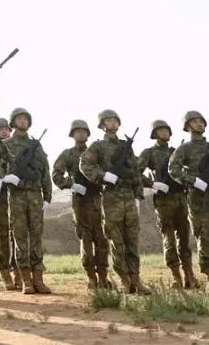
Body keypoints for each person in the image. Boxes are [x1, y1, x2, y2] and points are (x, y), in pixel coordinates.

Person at [79, 110, 150, 295]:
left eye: (114, 120)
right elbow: (85, 164)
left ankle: (136, 279)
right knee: (116, 241)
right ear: (102, 125)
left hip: (129, 197)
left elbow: (135, 171)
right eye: (108, 121)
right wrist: (103, 176)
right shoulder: (98, 146)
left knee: (132, 240)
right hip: (111, 197)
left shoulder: (126, 146)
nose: (112, 123)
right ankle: (124, 280)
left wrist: (138, 194)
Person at [167, 111, 209, 292]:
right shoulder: (184, 149)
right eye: (194, 121)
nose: (199, 124)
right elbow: (173, 169)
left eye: (201, 121)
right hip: (198, 197)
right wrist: (192, 181)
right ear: (187, 126)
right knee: (203, 237)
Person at [138, 120, 197, 289]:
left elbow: (190, 170)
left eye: (166, 130)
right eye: (160, 130)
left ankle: (190, 276)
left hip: (180, 198)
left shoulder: (177, 152)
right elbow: (136, 171)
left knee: (184, 239)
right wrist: (151, 184)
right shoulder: (149, 152)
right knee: (169, 239)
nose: (164, 132)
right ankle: (176, 277)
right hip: (164, 201)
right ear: (154, 134)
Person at [52, 119, 110, 289]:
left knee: (102, 238)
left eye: (84, 131)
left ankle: (103, 276)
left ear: (88, 134)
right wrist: (71, 185)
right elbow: (56, 174)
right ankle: (91, 277)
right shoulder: (67, 154)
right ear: (73, 135)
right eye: (77, 131)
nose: (81, 134)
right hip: (80, 201)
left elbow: (107, 170)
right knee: (86, 238)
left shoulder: (96, 151)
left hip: (98, 198)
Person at [1, 108, 51, 295]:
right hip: (17, 196)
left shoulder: (35, 145)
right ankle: (25, 280)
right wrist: (6, 178)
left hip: (35, 195)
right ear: (13, 122)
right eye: (19, 119)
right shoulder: (6, 145)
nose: (23, 121)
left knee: (37, 236)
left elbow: (45, 171)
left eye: (25, 119)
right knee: (20, 237)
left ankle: (38, 278)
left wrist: (47, 196)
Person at [0, 118, 17, 291]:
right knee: (2, 233)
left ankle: (18, 270)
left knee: (17, 232)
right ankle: (5, 272)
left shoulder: (14, 148)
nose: (4, 131)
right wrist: (2, 178)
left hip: (15, 195)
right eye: (0, 129)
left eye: (7, 129)